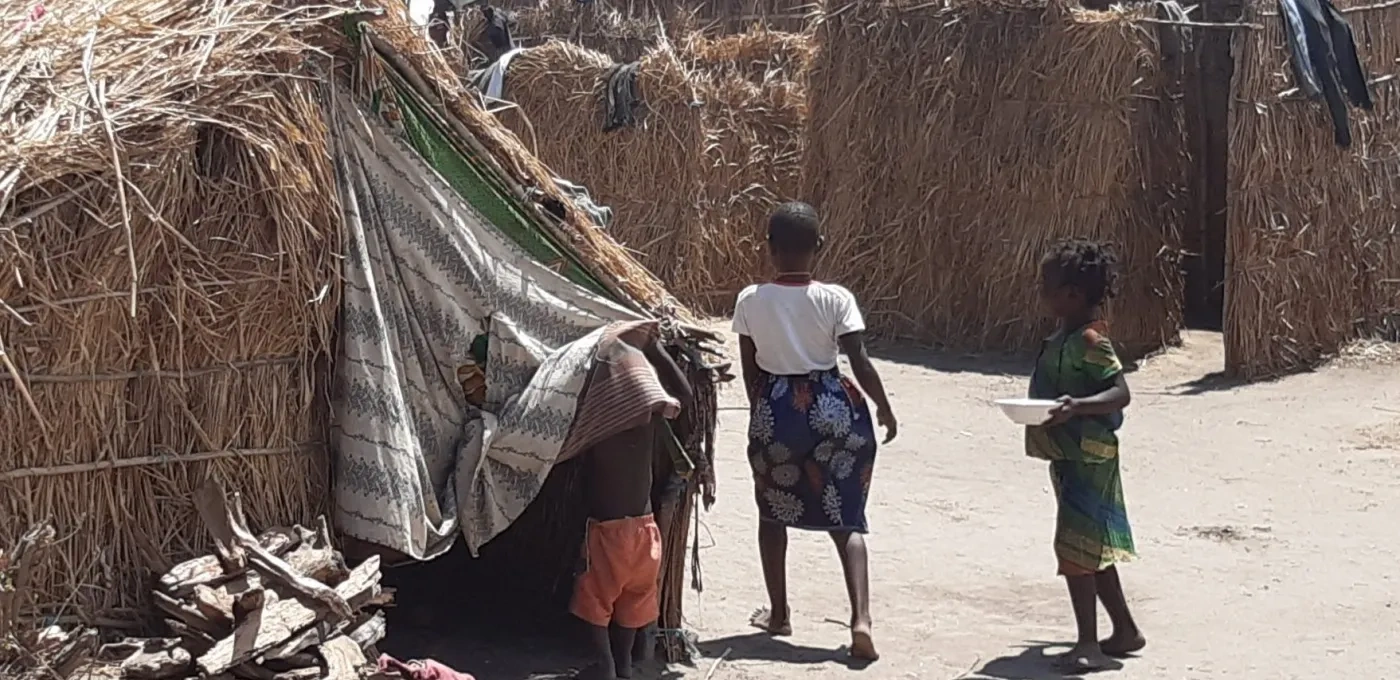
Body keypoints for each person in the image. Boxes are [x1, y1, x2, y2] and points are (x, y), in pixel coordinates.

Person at [732, 201, 896, 662]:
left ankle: (780, 613)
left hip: (776, 408)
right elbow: (858, 361)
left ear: (770, 249)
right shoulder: (837, 298)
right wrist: (883, 407)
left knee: (771, 512)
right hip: (831, 406)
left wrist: (763, 414)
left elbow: (751, 371)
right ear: (819, 246)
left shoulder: (750, 300)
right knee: (846, 517)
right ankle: (861, 619)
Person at [1026, 239, 1145, 672]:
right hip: (1069, 456)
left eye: (1047, 284)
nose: (1041, 291)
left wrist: (1077, 406)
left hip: (1090, 459)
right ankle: (1125, 630)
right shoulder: (1061, 338)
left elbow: (1120, 392)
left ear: (1072, 294)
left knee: (1073, 550)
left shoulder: (1091, 340)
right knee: (1091, 547)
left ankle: (1088, 645)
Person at [569, 323, 693, 680]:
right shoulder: (648, 419)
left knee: (595, 598)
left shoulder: (598, 430)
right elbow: (683, 397)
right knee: (633, 602)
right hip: (647, 530)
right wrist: (657, 350)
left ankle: (605, 664)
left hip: (609, 533)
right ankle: (623, 662)